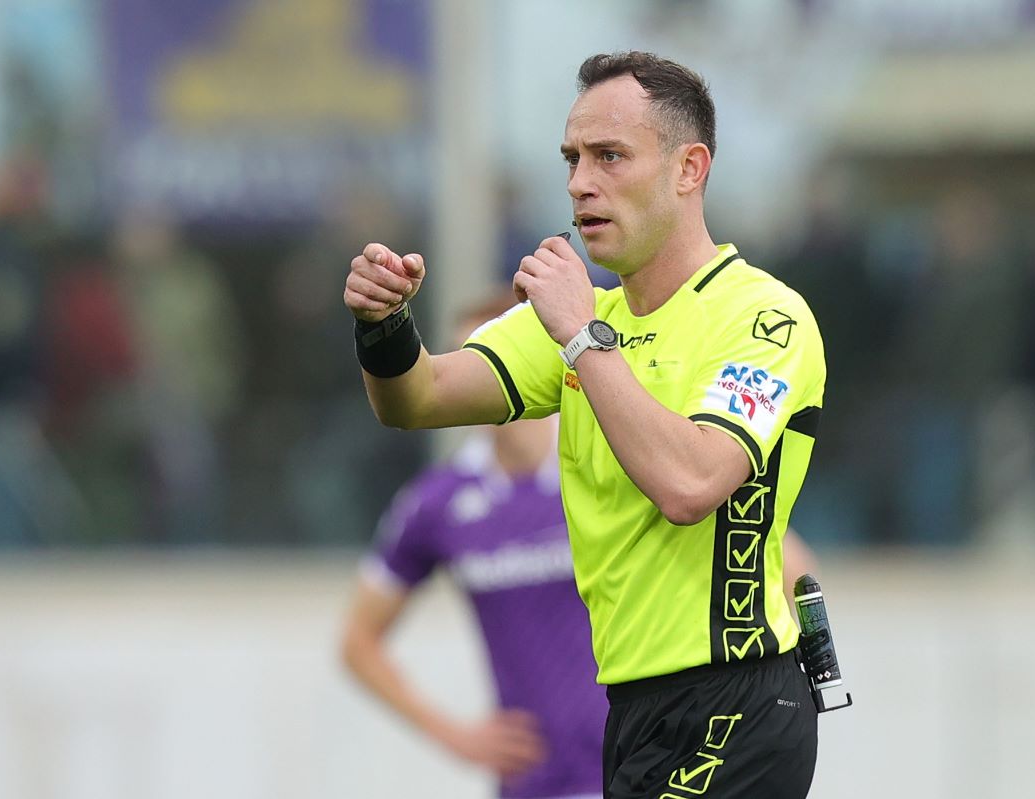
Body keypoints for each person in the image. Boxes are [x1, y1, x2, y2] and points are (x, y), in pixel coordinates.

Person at [343, 51, 830, 798]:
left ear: (688, 168)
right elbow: (417, 397)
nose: (579, 182)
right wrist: (384, 324)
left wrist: (580, 338)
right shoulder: (582, 319)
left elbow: (691, 482)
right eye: (572, 158)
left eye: (610, 156)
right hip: (632, 712)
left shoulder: (762, 318)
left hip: (737, 698)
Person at [339, 290, 605, 799]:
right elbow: (358, 642)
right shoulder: (439, 502)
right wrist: (456, 737)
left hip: (640, 769)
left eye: (491, 354)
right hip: (533, 782)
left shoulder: (604, 460)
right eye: (460, 357)